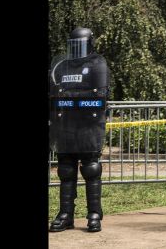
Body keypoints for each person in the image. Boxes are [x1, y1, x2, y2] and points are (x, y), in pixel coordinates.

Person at [49, 27, 110, 232]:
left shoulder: (97, 64)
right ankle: (65, 214)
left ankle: (94, 214)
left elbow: (99, 94)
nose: (77, 49)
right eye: (74, 45)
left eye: (81, 45)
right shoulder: (61, 65)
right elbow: (55, 92)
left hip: (88, 124)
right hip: (65, 123)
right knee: (66, 170)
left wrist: (71, 95)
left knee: (91, 169)